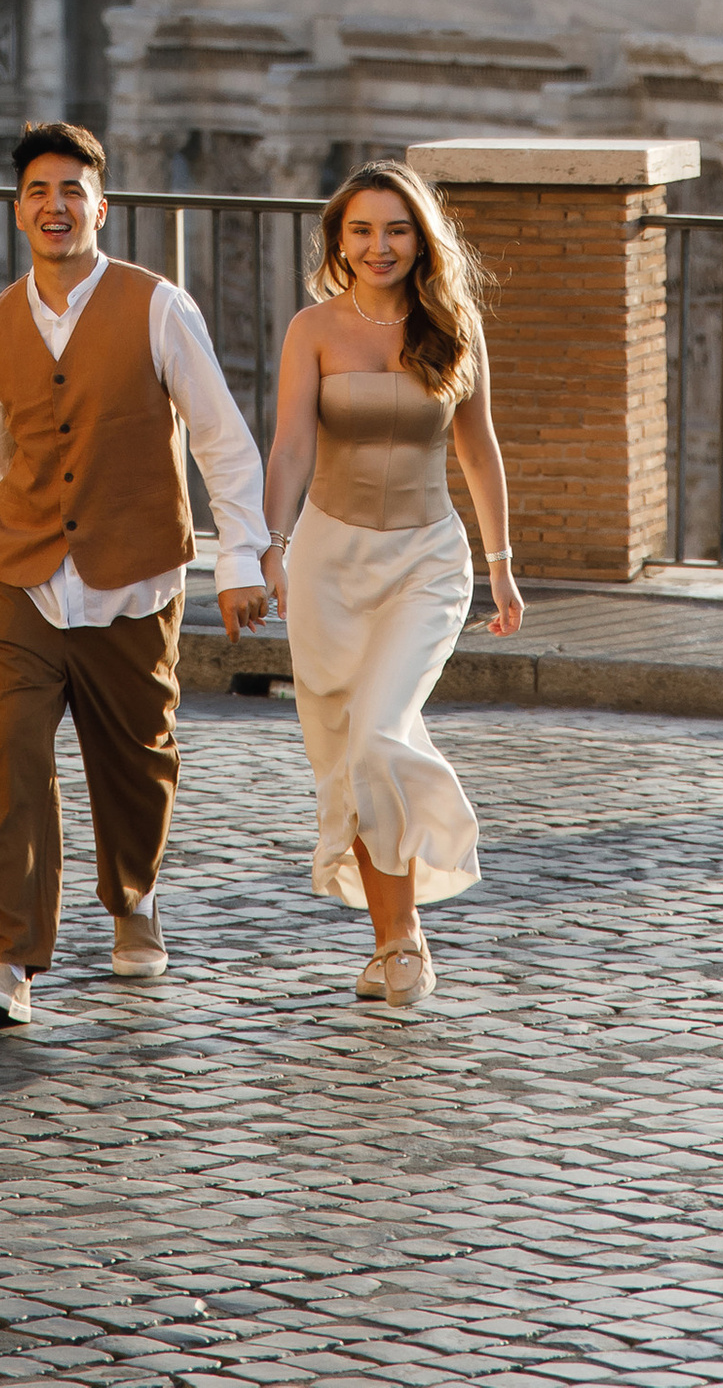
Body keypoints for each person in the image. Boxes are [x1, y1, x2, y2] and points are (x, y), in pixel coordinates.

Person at [0, 120, 274, 1028]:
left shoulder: (159, 307)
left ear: (101, 206)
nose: (56, 206)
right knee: (8, 754)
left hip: (133, 579)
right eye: (39, 192)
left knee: (137, 762)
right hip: (20, 580)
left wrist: (241, 558)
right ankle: (9, 961)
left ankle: (134, 895)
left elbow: (223, 442)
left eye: (72, 191)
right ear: (18, 211)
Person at [263, 160, 522, 1016]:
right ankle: (390, 945)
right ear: (339, 238)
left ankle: (407, 940)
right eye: (363, 230)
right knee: (348, 756)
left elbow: (478, 449)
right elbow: (291, 446)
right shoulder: (312, 330)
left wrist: (501, 564)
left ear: (422, 239)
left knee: (378, 737)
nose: (380, 246)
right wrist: (271, 542)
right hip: (329, 563)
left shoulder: (453, 324)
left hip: (426, 562)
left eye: (398, 229)